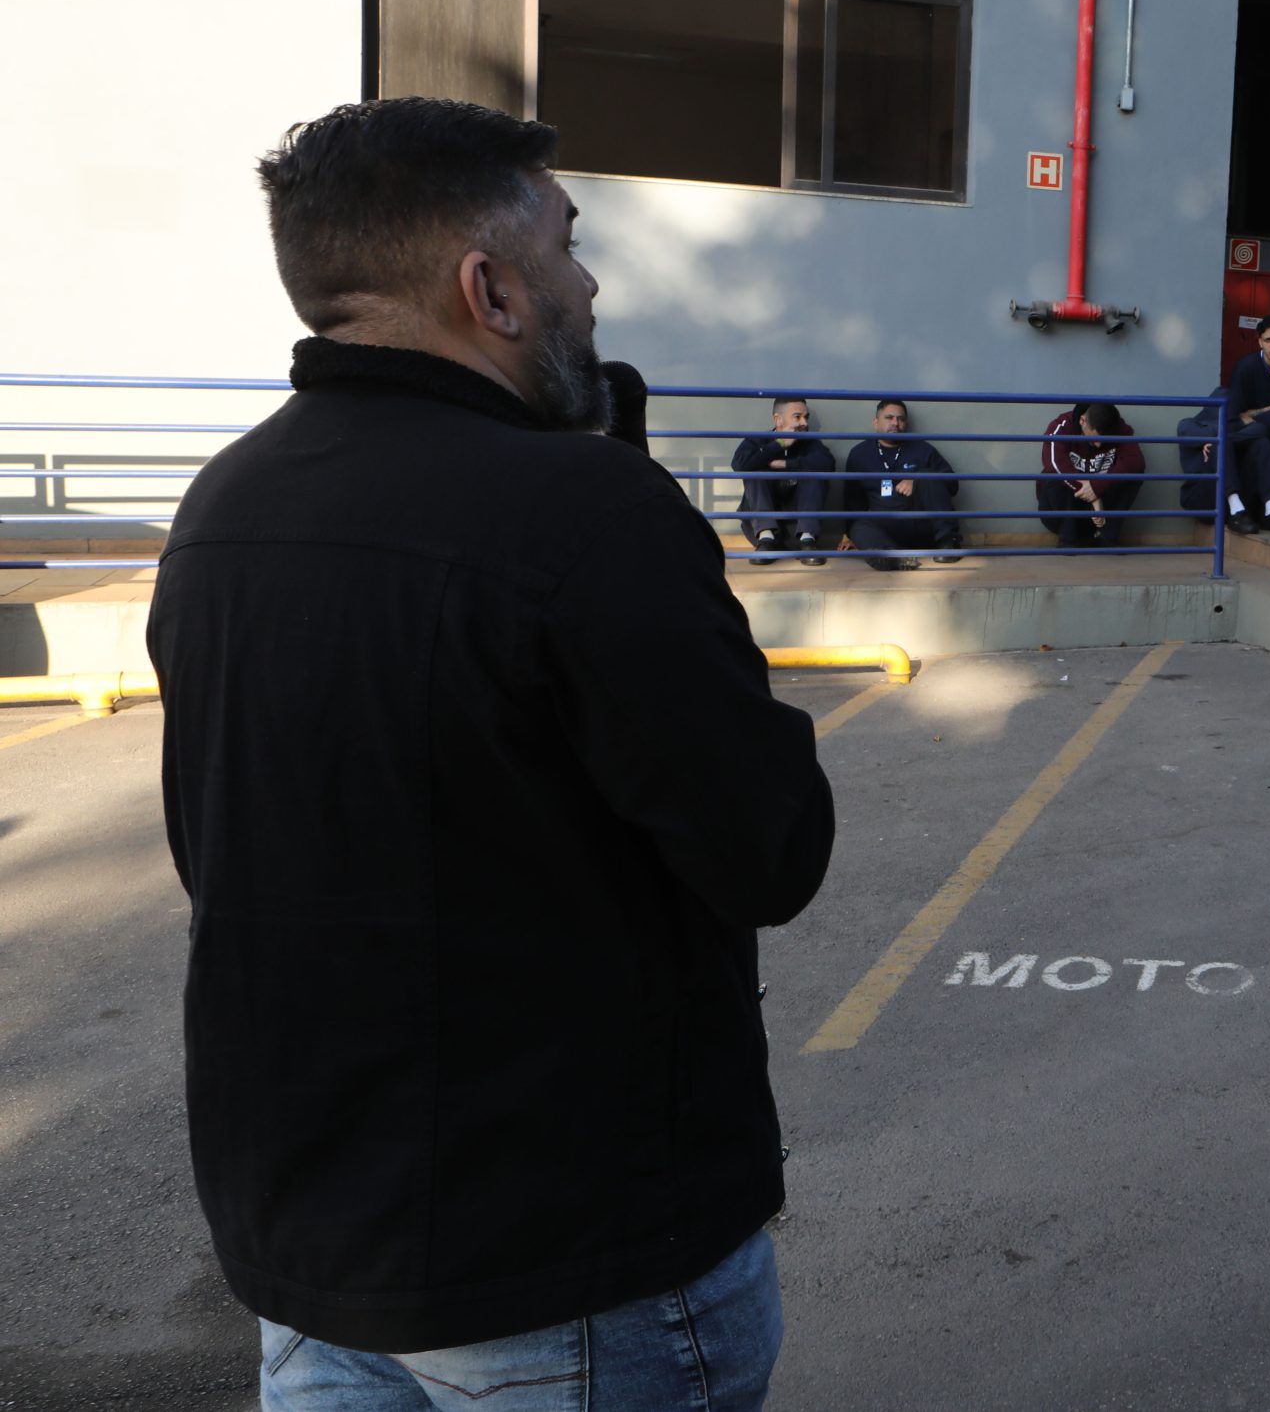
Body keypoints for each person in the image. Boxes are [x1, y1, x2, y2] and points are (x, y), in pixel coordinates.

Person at [149, 97, 832, 1404]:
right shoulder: (587, 511)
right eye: (569, 245)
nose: (589, 283)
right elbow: (769, 847)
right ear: (491, 289)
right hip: (570, 1268)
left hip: (306, 1249)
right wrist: (643, 538)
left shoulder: (222, 506)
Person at [843, 397, 963, 568]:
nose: (896, 423)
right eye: (889, 418)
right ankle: (891, 558)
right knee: (858, 525)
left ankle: (948, 545)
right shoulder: (859, 454)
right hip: (886, 529)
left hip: (922, 525)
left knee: (930, 475)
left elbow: (952, 485)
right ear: (876, 423)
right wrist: (848, 535)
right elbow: (853, 501)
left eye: (901, 419)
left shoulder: (922, 449)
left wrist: (918, 477)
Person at [733, 395, 835, 565]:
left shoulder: (810, 444)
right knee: (755, 470)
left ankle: (807, 539)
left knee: (814, 470)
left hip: (800, 534)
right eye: (797, 417)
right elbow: (739, 464)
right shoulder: (758, 440)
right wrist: (778, 444)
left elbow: (828, 464)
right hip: (763, 536)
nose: (804, 423)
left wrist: (786, 464)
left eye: (806, 417)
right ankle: (766, 538)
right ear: (778, 420)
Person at [1221, 318, 1270, 533]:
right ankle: (1263, 510)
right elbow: (1238, 416)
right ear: (1259, 342)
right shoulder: (1246, 368)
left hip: (1268, 431)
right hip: (1242, 429)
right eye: (1268, 340)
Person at [1036, 401, 1145, 547]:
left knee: (1133, 476)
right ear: (1082, 421)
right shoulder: (1062, 426)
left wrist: (1096, 487)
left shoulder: (1120, 428)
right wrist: (1094, 497)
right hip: (1062, 513)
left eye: (1104, 440)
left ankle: (1107, 537)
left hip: (1100, 517)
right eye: (1095, 438)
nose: (1099, 445)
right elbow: (1054, 464)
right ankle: (1068, 540)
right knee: (1054, 477)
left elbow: (1136, 462)